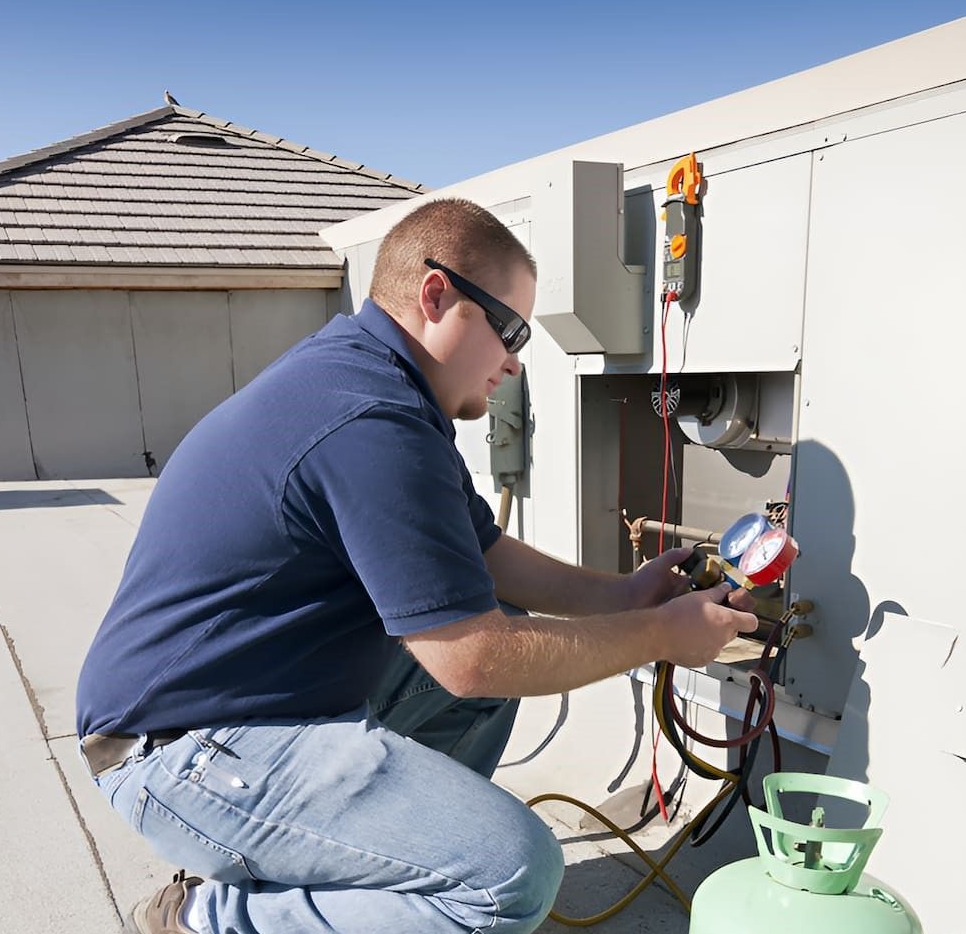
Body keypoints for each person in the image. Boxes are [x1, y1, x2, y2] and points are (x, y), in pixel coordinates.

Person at [76, 198, 757, 934]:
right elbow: (472, 658)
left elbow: (486, 558)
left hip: (239, 712)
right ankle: (210, 915)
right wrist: (661, 634)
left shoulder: (375, 385)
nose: (514, 359)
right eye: (511, 329)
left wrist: (627, 594)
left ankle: (350, 869)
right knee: (512, 876)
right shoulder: (369, 417)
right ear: (437, 296)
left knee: (505, 653)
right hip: (180, 757)